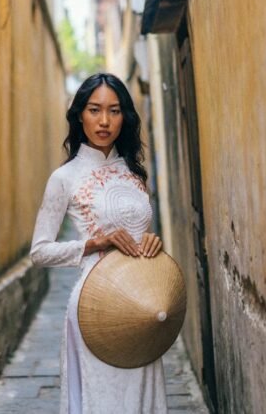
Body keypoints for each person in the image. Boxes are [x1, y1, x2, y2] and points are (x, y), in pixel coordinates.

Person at [30, 72, 166, 414]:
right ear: (80, 115)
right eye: (94, 110)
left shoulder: (134, 174)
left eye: (115, 111)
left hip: (143, 308)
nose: (104, 120)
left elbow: (139, 234)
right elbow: (39, 251)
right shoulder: (64, 178)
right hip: (96, 305)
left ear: (126, 117)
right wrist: (94, 243)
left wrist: (152, 245)